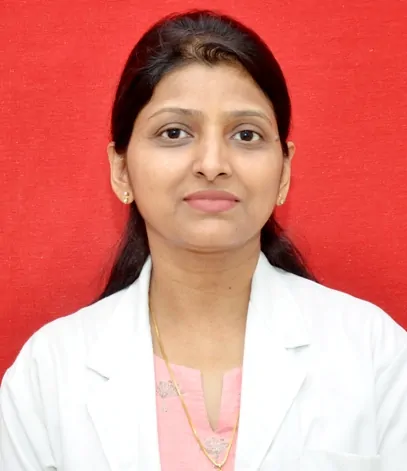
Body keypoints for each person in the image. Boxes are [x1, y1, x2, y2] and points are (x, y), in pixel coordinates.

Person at [1, 9, 406, 471]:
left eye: (246, 134)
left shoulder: (374, 355)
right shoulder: (49, 374)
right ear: (121, 169)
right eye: (174, 132)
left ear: (284, 172)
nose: (212, 164)